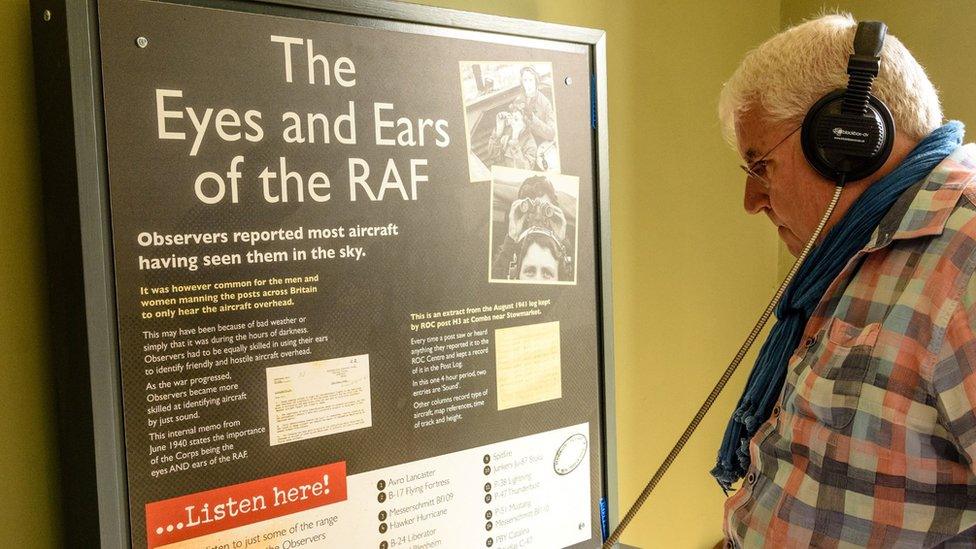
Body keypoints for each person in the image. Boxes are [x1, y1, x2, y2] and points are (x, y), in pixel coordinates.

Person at [716, 14, 976, 546]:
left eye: (760, 166)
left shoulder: (964, 257)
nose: (752, 202)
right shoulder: (864, 248)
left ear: (847, 140)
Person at [491, 175, 571, 282]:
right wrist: (511, 237)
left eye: (545, 210)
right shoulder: (510, 248)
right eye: (531, 211)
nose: (538, 217)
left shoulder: (561, 247)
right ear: (522, 211)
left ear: (553, 212)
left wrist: (561, 240)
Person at [486, 104, 537, 170]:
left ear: (525, 123)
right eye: (512, 117)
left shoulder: (531, 145)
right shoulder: (508, 131)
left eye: (516, 119)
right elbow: (493, 156)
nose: (512, 122)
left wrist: (515, 140)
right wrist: (498, 132)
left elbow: (523, 172)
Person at [516, 65, 557, 145]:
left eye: (531, 80)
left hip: (540, 145)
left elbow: (551, 134)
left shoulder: (545, 103)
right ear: (522, 82)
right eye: (525, 80)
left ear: (536, 81)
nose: (528, 84)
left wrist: (532, 118)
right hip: (523, 144)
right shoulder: (518, 100)